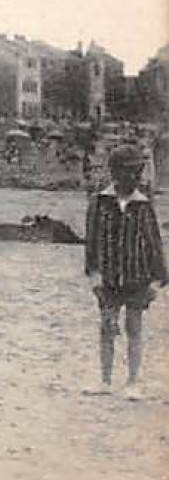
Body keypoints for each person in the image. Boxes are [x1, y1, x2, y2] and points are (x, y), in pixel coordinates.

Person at [82, 145, 167, 399]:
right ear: (115, 172)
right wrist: (94, 274)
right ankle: (105, 380)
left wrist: (158, 279)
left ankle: (133, 381)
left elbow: (154, 242)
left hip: (137, 277)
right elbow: (92, 242)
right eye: (130, 171)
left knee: (134, 328)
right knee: (107, 327)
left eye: (137, 172)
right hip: (108, 278)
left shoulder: (143, 205)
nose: (135, 177)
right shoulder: (99, 202)